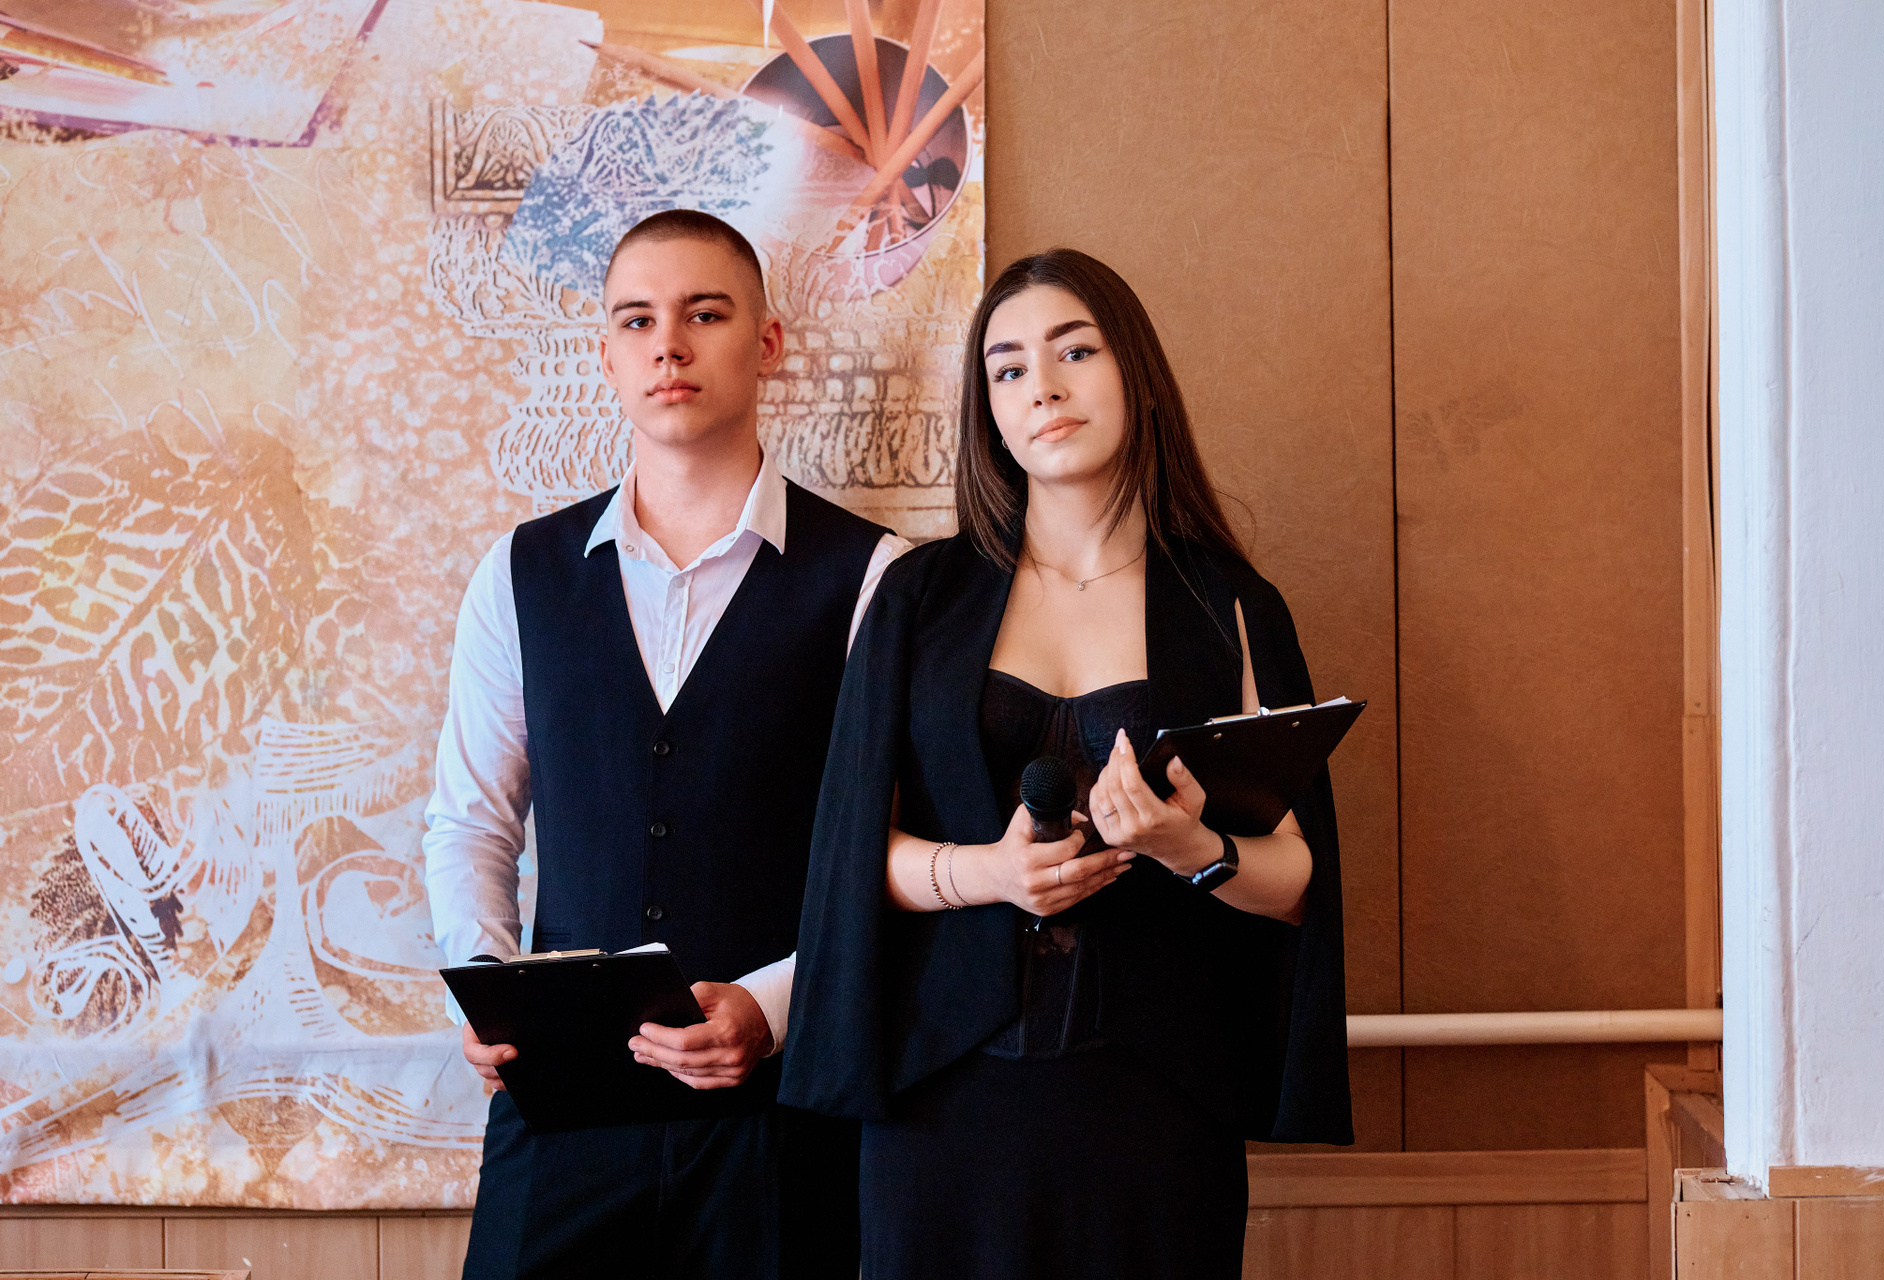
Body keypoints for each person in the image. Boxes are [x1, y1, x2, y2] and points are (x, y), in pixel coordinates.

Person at [780, 248, 1353, 1280]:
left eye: (1074, 351)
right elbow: (848, 857)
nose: (1040, 386)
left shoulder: (1231, 606)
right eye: (1007, 368)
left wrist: (1191, 845)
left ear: (1137, 374)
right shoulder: (919, 597)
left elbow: (1303, 881)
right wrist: (989, 873)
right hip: (940, 1097)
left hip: (1156, 1102)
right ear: (990, 412)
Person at [423, 208, 907, 1280]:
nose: (669, 345)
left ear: (767, 343)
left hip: (779, 1121)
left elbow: (891, 857)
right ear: (606, 354)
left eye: (705, 314)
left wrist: (771, 1012)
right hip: (557, 1114)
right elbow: (471, 820)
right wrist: (488, 981)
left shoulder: (874, 577)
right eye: (637, 320)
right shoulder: (520, 573)